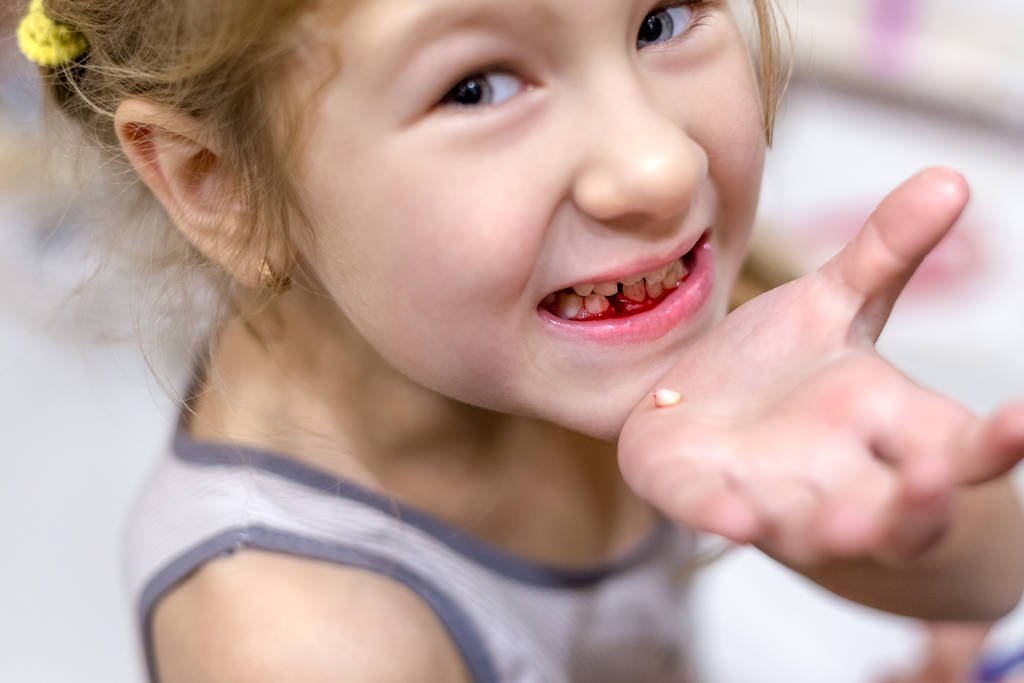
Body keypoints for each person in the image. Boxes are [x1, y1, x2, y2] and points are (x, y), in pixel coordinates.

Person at [18, 0, 1024, 680]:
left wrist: (916, 528)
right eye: (479, 86)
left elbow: (993, 573)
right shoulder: (298, 633)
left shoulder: (617, 292)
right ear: (218, 186)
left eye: (660, 19)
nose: (657, 162)